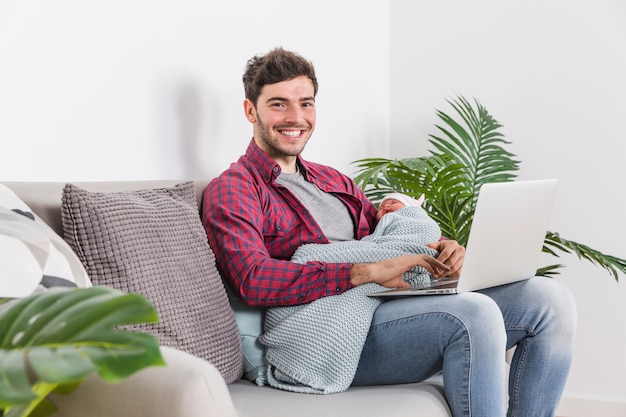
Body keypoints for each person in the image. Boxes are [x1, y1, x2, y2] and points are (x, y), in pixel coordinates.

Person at [202, 47, 577, 416]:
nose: (296, 117)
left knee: (550, 301)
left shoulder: (333, 180)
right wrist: (365, 271)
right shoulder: (236, 187)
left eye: (306, 103)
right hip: (329, 330)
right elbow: (253, 278)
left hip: (387, 302)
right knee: (473, 315)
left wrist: (442, 248)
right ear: (251, 109)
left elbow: (388, 235)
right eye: (279, 104)